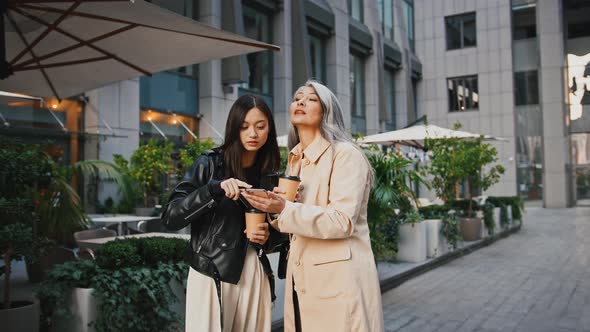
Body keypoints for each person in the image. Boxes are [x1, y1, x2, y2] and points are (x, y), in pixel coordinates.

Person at [243, 80, 385, 332]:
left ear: (327, 111)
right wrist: (274, 214)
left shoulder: (345, 155)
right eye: (298, 97)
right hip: (303, 282)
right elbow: (296, 218)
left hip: (339, 283)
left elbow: (342, 221)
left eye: (311, 99)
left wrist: (284, 209)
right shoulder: (296, 160)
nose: (300, 102)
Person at [161, 94, 286, 332]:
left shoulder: (270, 175)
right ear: (234, 128)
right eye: (245, 126)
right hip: (211, 270)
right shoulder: (209, 164)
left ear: (269, 129)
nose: (253, 134)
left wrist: (269, 235)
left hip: (254, 270)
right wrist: (212, 190)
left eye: (261, 126)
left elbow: (281, 233)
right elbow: (170, 216)